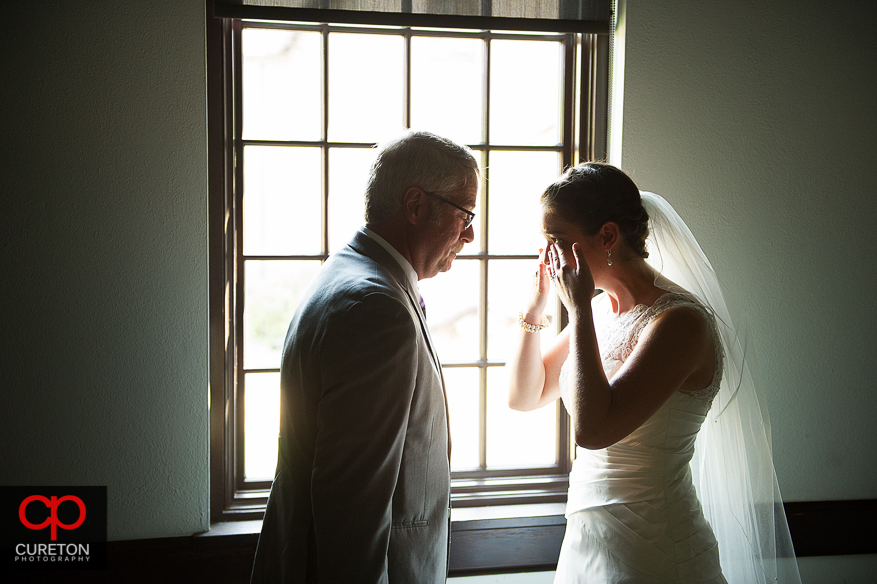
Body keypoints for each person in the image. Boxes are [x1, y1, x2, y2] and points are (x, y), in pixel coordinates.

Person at [508, 162, 801, 583]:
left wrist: (576, 312)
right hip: (586, 539)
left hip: (655, 549)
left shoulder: (680, 323)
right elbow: (524, 395)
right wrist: (534, 312)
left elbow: (594, 430)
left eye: (558, 240)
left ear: (607, 236)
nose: (549, 257)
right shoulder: (599, 311)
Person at [250, 130, 480, 584]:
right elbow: (353, 506)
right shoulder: (378, 310)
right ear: (415, 205)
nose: (470, 235)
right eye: (465, 214)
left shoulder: (350, 273)